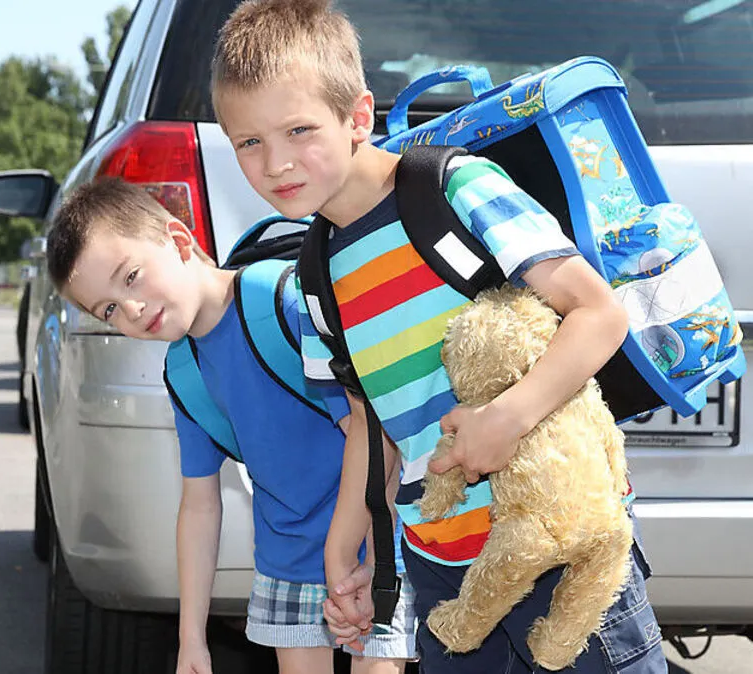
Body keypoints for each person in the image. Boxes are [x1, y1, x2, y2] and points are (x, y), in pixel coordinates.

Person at [210, 1, 667, 671]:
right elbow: (369, 422)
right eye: (249, 142)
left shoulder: (451, 189)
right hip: (442, 565)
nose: (277, 162)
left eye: (299, 129)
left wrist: (505, 419)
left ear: (358, 117)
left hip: (558, 540)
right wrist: (350, 538)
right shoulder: (315, 270)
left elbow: (598, 312)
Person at [44, 177, 416, 674]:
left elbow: (373, 436)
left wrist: (351, 555)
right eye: (108, 309)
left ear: (179, 241)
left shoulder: (277, 301)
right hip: (289, 561)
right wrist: (191, 639)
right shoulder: (184, 371)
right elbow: (199, 506)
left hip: (375, 543)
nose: (130, 310)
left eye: (131, 277)